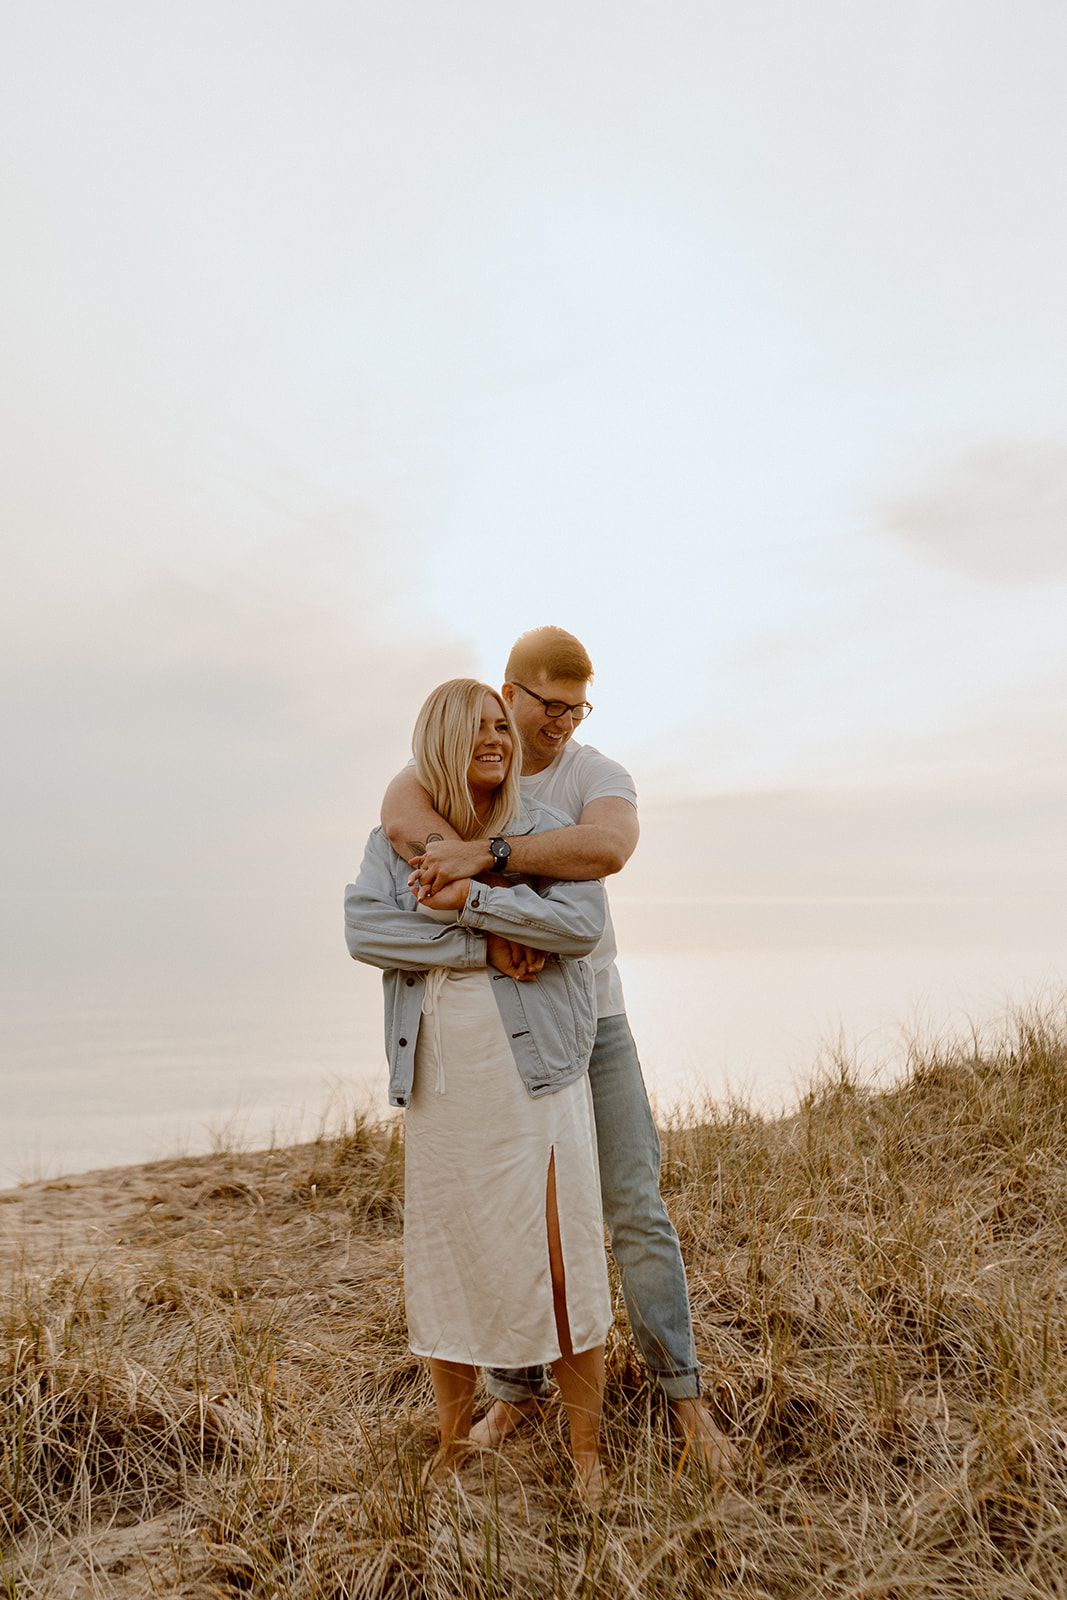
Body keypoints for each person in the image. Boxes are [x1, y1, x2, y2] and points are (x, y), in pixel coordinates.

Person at [381, 627, 734, 1476]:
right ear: (508, 692)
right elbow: (401, 815)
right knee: (506, 1213)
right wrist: (481, 920)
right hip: (492, 1025)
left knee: (632, 1207)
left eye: (578, 708)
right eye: (549, 706)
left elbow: (607, 849)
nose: (563, 725)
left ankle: (682, 1396)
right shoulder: (454, 764)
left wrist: (488, 856)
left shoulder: (594, 774)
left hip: (588, 1021)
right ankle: (514, 1391)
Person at [345, 678, 613, 1497]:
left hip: (534, 1077)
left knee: (561, 1255)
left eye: (501, 725)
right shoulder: (392, 843)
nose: (495, 740)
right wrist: (481, 945)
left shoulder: (539, 832)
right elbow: (366, 928)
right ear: (438, 745)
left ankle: (586, 1453)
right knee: (450, 1257)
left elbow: (578, 926)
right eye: (474, 730)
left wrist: (476, 899)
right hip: (442, 1082)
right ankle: (455, 1440)